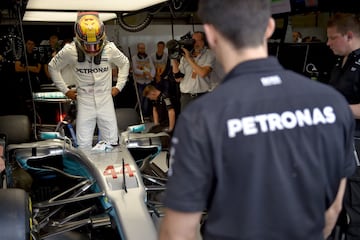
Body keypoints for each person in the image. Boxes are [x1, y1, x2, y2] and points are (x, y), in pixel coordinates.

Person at [159, 1, 356, 240]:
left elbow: (178, 233)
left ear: (210, 33)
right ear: (270, 27)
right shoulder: (332, 104)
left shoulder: (200, 118)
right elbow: (334, 207)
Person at [48, 12, 130, 149]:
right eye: (88, 45)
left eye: (96, 44)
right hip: (84, 100)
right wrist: (65, 90)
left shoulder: (110, 48)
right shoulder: (69, 50)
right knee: (83, 143)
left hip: (105, 98)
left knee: (112, 140)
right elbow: (52, 67)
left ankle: (108, 167)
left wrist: (119, 86)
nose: (92, 49)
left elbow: (124, 63)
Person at [327, 13, 360, 136]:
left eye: (333, 38)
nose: (328, 43)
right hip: (337, 132)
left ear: (349, 36)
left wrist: (334, 109)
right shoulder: (339, 60)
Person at [171, 31, 216, 112]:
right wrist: (173, 59)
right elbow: (178, 78)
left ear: (203, 42)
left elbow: (203, 73)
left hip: (202, 96)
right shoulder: (185, 56)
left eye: (197, 40)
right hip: (186, 97)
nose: (194, 43)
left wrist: (189, 59)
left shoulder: (209, 54)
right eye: (193, 40)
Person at [132, 42, 155, 119]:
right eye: (141, 48)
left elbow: (152, 67)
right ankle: (142, 116)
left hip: (148, 81)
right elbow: (135, 70)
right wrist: (145, 73)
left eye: (143, 48)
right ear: (138, 49)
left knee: (148, 99)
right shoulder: (134, 58)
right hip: (140, 82)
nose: (142, 49)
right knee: (141, 99)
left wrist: (151, 75)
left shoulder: (148, 57)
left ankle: (147, 115)